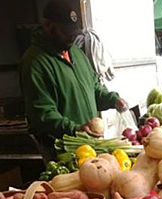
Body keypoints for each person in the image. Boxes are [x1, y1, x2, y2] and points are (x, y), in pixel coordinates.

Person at [20, 0, 128, 157]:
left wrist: (112, 99)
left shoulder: (76, 53)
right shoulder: (34, 63)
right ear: (48, 26)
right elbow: (42, 114)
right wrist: (75, 129)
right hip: (63, 152)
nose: (71, 37)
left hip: (90, 147)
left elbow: (94, 87)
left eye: (73, 32)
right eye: (65, 32)